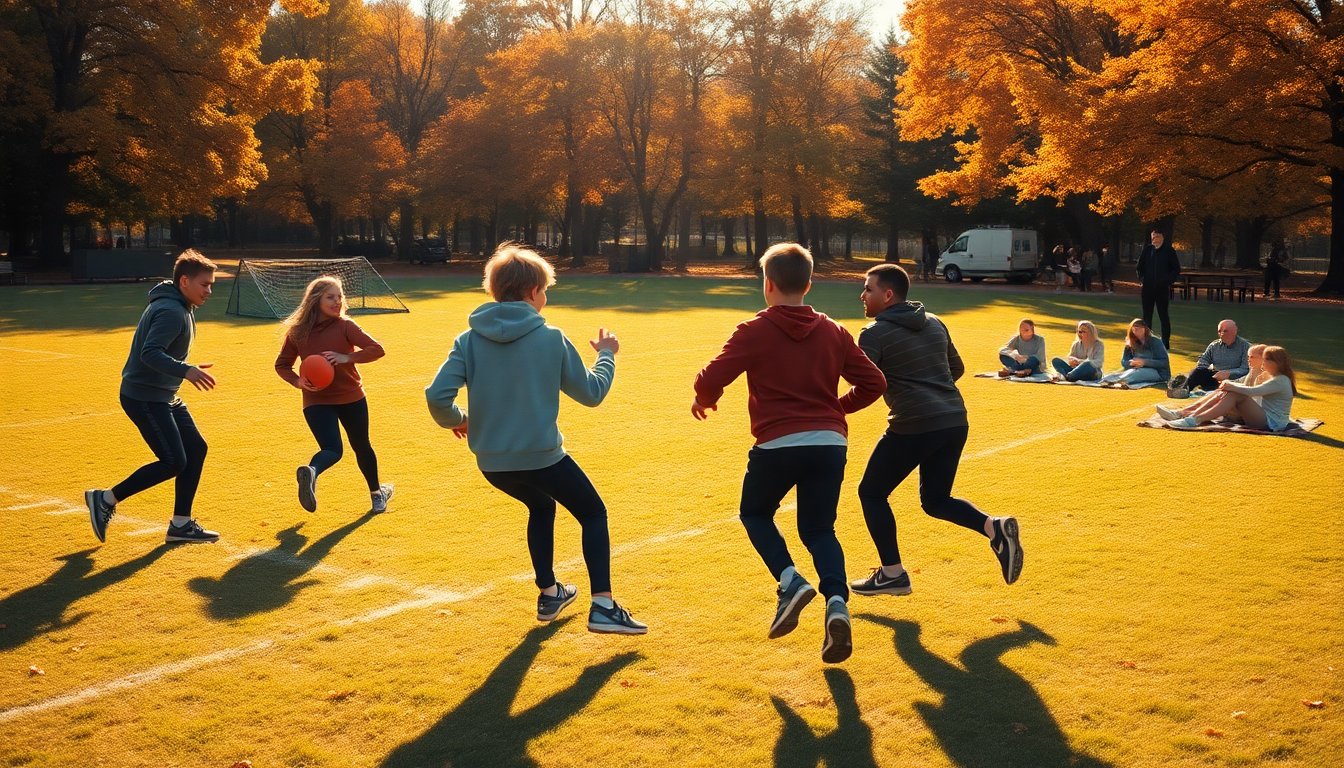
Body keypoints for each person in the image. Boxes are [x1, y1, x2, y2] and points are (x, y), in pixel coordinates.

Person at [426, 244, 646, 634]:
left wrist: (460, 420)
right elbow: (592, 394)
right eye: (545, 290)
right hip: (543, 457)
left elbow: (436, 396)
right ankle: (604, 606)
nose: (545, 297)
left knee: (541, 508)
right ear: (532, 292)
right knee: (593, 513)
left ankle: (550, 593)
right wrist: (608, 354)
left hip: (493, 464)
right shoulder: (551, 337)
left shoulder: (468, 339)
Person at [691, 242, 886, 664]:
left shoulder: (755, 329)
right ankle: (837, 603)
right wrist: (836, 409)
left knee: (755, 513)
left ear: (768, 284)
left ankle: (790, 581)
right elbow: (874, 383)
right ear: (809, 283)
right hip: (829, 444)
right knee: (819, 530)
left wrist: (704, 398)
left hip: (778, 442)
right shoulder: (834, 330)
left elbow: (711, 376)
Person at [850, 263, 1023, 606]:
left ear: (887, 295)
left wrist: (834, 406)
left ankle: (893, 573)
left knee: (871, 493)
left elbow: (864, 382)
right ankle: (994, 528)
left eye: (868, 289)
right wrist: (932, 389)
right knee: (936, 501)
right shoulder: (935, 322)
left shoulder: (874, 333)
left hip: (914, 423)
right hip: (954, 420)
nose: (862, 295)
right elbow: (955, 368)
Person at [84, 250, 221, 545]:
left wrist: (185, 369)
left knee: (196, 449)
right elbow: (150, 353)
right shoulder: (172, 311)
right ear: (184, 281)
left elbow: (160, 352)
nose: (209, 291)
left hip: (164, 395)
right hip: (144, 396)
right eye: (205, 284)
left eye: (211, 285)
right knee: (173, 461)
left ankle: (180, 525)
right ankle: (106, 499)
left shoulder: (178, 304)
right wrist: (186, 370)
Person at [275, 276, 392, 514]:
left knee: (339, 448)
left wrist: (347, 357)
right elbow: (282, 365)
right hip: (320, 400)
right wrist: (298, 381)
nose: (337, 301)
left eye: (340, 296)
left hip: (349, 396)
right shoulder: (298, 332)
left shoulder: (346, 326)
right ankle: (375, 495)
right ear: (316, 300)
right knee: (354, 447)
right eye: (331, 297)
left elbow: (377, 349)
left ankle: (313, 472)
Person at [1165, 346, 1297, 431]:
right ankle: (1187, 416)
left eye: (1266, 359)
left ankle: (1193, 420)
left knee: (1235, 393)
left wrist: (1230, 384)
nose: (1263, 362)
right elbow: (1246, 388)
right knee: (1229, 391)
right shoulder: (1269, 375)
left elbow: (1252, 392)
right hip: (1262, 415)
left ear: (1277, 363)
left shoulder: (1281, 380)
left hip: (1272, 423)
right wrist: (1229, 385)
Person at [1157, 344, 1266, 421]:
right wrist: (1226, 382)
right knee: (1218, 391)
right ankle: (1181, 413)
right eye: (1248, 357)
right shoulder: (1252, 371)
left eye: (1252, 357)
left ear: (1263, 358)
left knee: (1226, 394)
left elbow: (1253, 394)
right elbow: (1239, 382)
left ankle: (1189, 417)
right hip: (1243, 406)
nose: (1249, 360)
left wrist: (1230, 384)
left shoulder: (1265, 375)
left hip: (1252, 413)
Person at [1136, 229, 1181, 349]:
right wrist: (1142, 279)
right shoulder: (1147, 250)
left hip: (1162, 289)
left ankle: (1165, 343)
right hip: (1148, 288)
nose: (1154, 239)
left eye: (1156, 236)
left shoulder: (1169, 251)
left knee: (1163, 316)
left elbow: (1176, 269)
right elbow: (1139, 267)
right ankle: (1146, 341)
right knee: (1146, 316)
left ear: (1162, 237)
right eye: (1152, 237)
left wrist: (1167, 281)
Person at [1184, 319, 1251, 393]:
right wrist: (1203, 367)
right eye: (1219, 331)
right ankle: (1183, 390)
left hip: (1236, 380)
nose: (1222, 334)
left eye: (1225, 331)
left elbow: (1245, 369)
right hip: (1216, 377)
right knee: (1198, 371)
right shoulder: (1214, 345)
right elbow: (1204, 359)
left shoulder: (1246, 347)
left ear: (1234, 331)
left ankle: (1206, 392)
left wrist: (1228, 373)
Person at [1099, 319, 1169, 388]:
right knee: (1115, 374)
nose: (1136, 331)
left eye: (1138, 328)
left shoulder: (1155, 341)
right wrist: (1131, 362)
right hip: (1136, 369)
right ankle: (1109, 380)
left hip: (1158, 373)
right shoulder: (1131, 341)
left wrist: (1144, 362)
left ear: (1145, 329)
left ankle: (1115, 382)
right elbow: (1124, 362)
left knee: (1135, 374)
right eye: (1134, 329)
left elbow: (1164, 363)